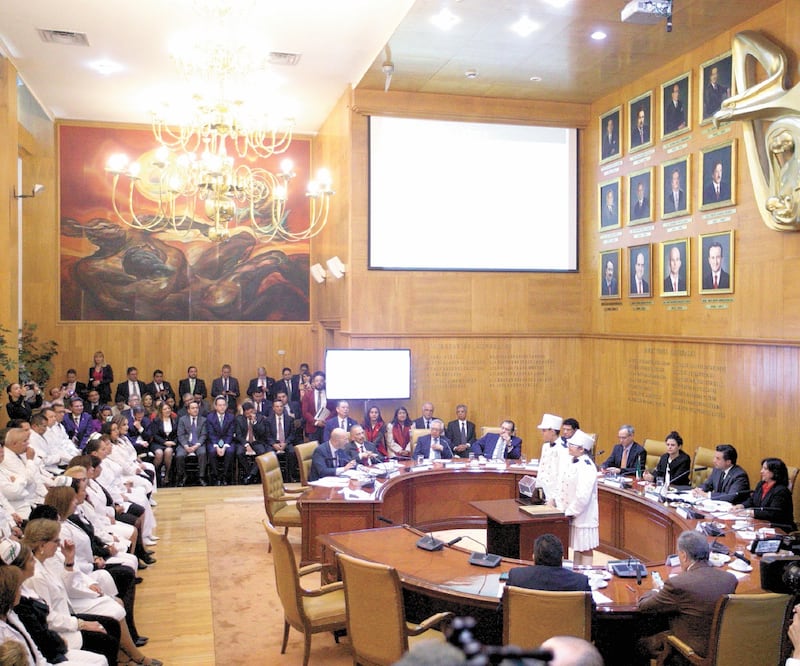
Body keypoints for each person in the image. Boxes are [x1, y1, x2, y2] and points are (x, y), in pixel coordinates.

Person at [22, 518, 162, 665]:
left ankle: (126, 659)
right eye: (56, 541)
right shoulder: (36, 576)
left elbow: (65, 581)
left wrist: (69, 561)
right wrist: (81, 624)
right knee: (107, 634)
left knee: (112, 622)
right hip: (60, 628)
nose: (58, 545)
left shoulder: (45, 562)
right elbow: (49, 618)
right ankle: (132, 658)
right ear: (42, 545)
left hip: (66, 614)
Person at [638, 530, 738, 662]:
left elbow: (644, 606)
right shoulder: (730, 579)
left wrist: (656, 589)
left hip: (692, 655)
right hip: (723, 649)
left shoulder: (677, 584)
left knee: (641, 642)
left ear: (684, 555)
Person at [557, 429, 598, 566]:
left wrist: (570, 511)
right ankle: (577, 571)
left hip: (583, 514)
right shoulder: (572, 461)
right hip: (572, 512)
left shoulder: (587, 466)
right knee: (577, 546)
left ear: (581, 449)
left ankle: (586, 573)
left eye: (572, 445)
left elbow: (583, 496)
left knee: (585, 547)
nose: (569, 447)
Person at [507, 533, 591, 592]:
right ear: (562, 559)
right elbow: (590, 611)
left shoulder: (516, 577)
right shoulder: (580, 582)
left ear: (533, 557)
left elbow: (504, 608)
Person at [733, 457, 795, 530]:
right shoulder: (762, 484)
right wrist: (742, 506)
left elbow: (773, 513)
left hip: (778, 528)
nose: (761, 471)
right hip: (761, 523)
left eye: (765, 469)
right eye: (762, 468)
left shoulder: (782, 491)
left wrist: (751, 513)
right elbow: (752, 500)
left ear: (775, 472)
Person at [235, 401, 273, 484]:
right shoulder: (239, 419)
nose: (250, 415)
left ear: (254, 410)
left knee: (262, 452)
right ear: (244, 413)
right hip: (244, 442)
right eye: (247, 413)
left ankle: (251, 475)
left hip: (257, 441)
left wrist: (255, 423)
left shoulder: (260, 418)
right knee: (239, 453)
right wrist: (246, 444)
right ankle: (250, 473)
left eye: (251, 412)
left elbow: (262, 433)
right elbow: (238, 435)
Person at [536, 413, 568, 504]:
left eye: (544, 431)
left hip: (554, 495)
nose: (542, 433)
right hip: (543, 492)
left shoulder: (563, 449)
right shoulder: (545, 446)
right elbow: (541, 469)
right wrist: (538, 488)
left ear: (553, 432)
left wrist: (554, 498)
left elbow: (561, 476)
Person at [175, 401, 208, 487]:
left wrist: (196, 445)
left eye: (196, 408)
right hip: (185, 444)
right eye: (193, 408)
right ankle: (182, 476)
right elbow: (180, 435)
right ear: (188, 410)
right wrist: (186, 446)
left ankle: (201, 477)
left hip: (198, 444)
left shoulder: (203, 420)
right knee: (179, 455)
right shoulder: (182, 419)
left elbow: (204, 435)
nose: (195, 410)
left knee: (203, 453)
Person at [205, 395, 236, 485]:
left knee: (230, 451)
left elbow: (230, 433)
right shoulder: (210, 417)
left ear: (226, 406)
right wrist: (217, 446)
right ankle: (216, 476)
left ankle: (225, 476)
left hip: (227, 441)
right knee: (212, 451)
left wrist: (224, 446)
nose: (222, 407)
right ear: (215, 406)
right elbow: (211, 433)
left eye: (223, 405)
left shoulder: (231, 417)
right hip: (214, 441)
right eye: (220, 405)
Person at [147, 401, 177, 485]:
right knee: (159, 453)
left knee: (168, 451)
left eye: (168, 408)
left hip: (171, 443)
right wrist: (164, 442)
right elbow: (155, 435)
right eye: (165, 409)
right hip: (158, 443)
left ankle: (167, 474)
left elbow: (178, 433)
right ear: (161, 411)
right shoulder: (156, 421)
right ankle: (155, 473)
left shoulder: (175, 420)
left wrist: (174, 442)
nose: (167, 410)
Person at [301, 371, 334, 443]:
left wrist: (326, 421)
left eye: (321, 380)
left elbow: (334, 410)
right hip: (312, 427)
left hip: (326, 426)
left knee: (326, 448)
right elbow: (305, 412)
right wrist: (316, 422)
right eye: (317, 381)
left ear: (324, 381)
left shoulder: (329, 394)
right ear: (313, 382)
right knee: (314, 448)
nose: (319, 383)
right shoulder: (308, 395)